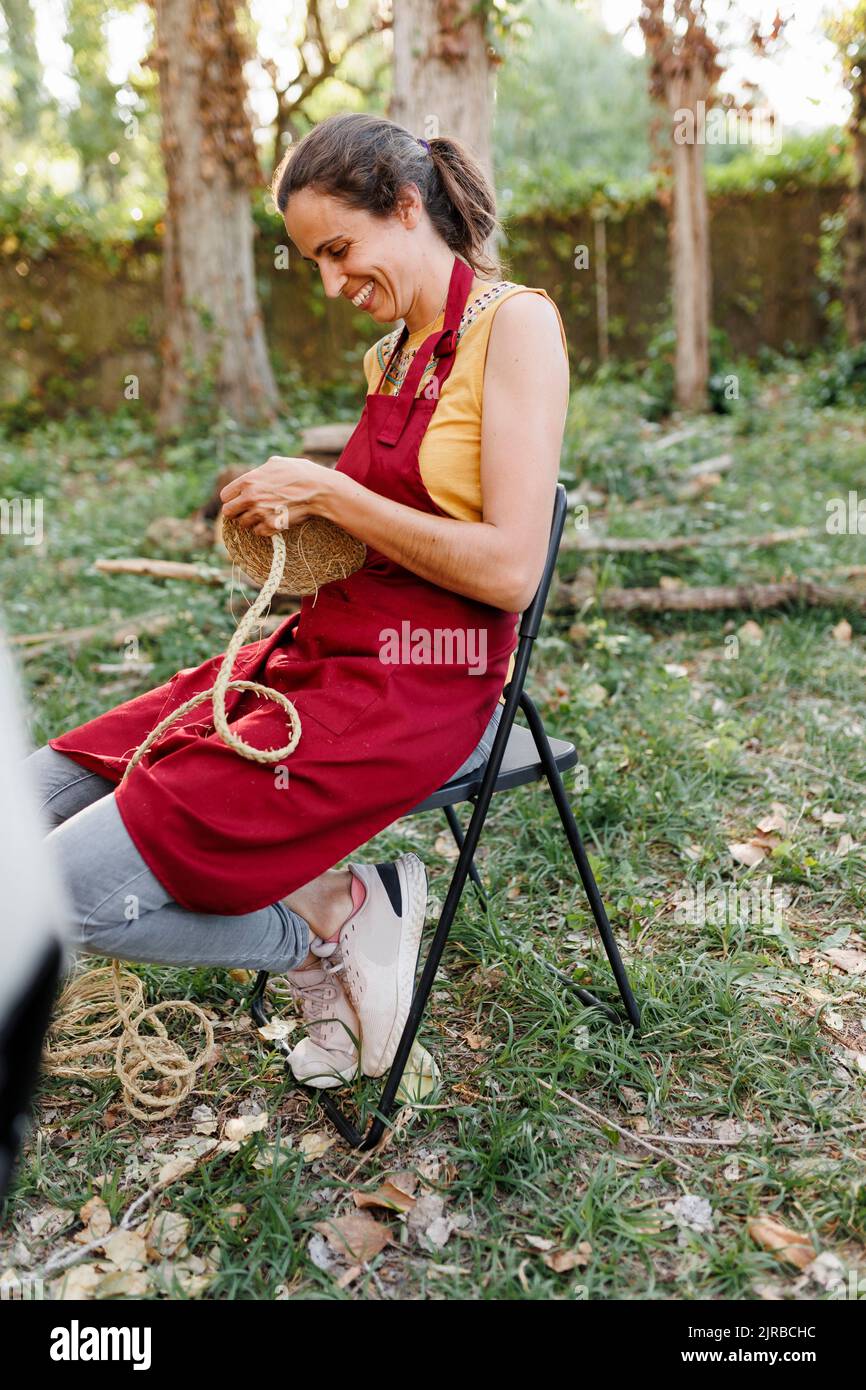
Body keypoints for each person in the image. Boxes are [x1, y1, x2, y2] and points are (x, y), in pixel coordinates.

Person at [23, 112, 569, 1092]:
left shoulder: (516, 326)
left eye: (338, 250)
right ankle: (342, 913)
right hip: (320, 647)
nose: (328, 283)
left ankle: (323, 924)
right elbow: (380, 527)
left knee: (60, 892)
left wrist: (333, 491)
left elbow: (507, 573)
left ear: (406, 208)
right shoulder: (393, 353)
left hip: (422, 685)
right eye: (313, 260)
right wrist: (294, 517)